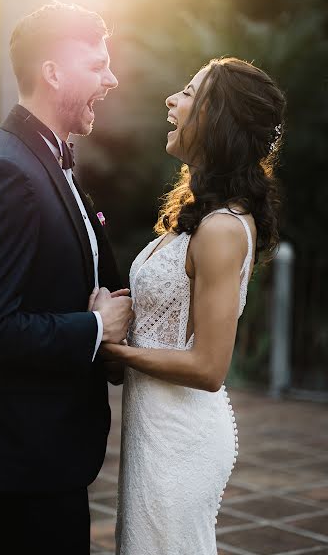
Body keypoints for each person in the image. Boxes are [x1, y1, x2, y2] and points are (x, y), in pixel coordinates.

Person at [0, 2, 133, 555]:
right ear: (53, 73)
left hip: (45, 450)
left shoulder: (47, 159)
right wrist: (94, 328)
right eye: (97, 65)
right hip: (22, 456)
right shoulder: (9, 172)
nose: (111, 78)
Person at [101, 57, 286, 554]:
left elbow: (209, 367)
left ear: (217, 118)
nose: (171, 100)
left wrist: (110, 348)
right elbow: (169, 315)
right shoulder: (200, 216)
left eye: (187, 92)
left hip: (180, 441)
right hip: (152, 431)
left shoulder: (223, 228)